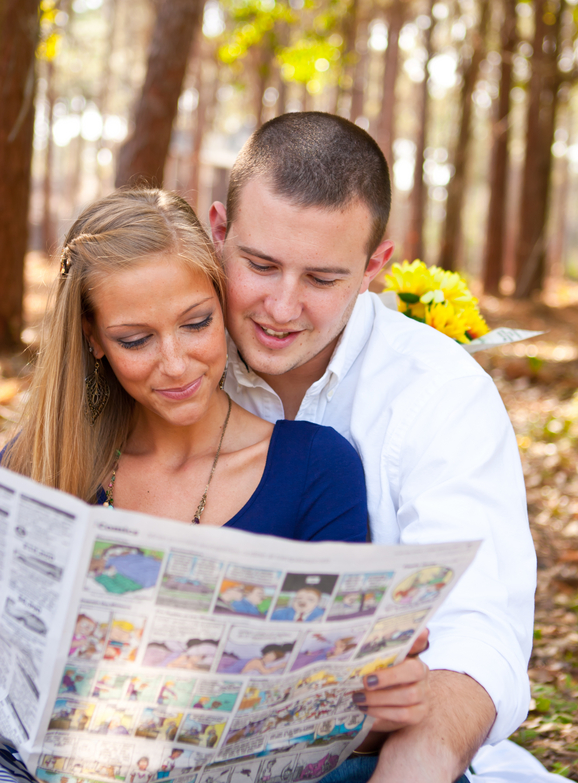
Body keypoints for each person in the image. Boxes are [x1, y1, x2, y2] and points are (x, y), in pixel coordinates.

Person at [0, 187, 427, 780]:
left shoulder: (314, 467)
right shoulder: (37, 465)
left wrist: (378, 707)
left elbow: (331, 715)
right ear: (93, 340)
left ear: (222, 305)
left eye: (196, 324)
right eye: (135, 339)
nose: (175, 364)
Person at [209, 111, 537, 783]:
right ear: (218, 231)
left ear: (375, 267)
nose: (280, 306)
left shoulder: (440, 393)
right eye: (260, 264)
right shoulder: (169, 357)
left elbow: (477, 632)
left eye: (322, 279)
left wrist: (416, 759)